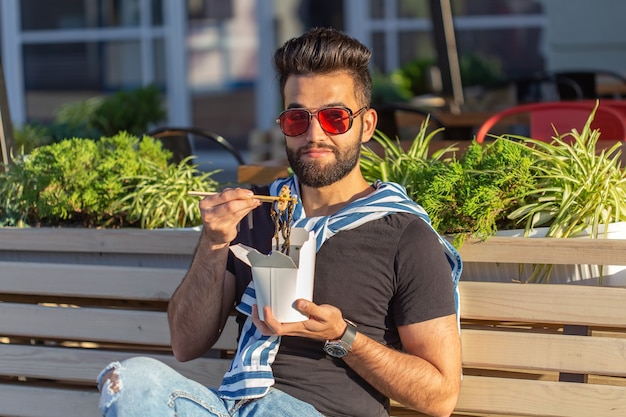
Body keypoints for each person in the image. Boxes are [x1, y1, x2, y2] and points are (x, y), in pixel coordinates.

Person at [97, 27, 462, 417]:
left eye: (335, 118)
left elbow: (440, 396)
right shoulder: (255, 215)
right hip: (233, 407)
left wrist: (342, 337)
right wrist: (213, 243)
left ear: (367, 125)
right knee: (132, 381)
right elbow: (186, 344)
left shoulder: (404, 234)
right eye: (296, 119)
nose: (314, 134)